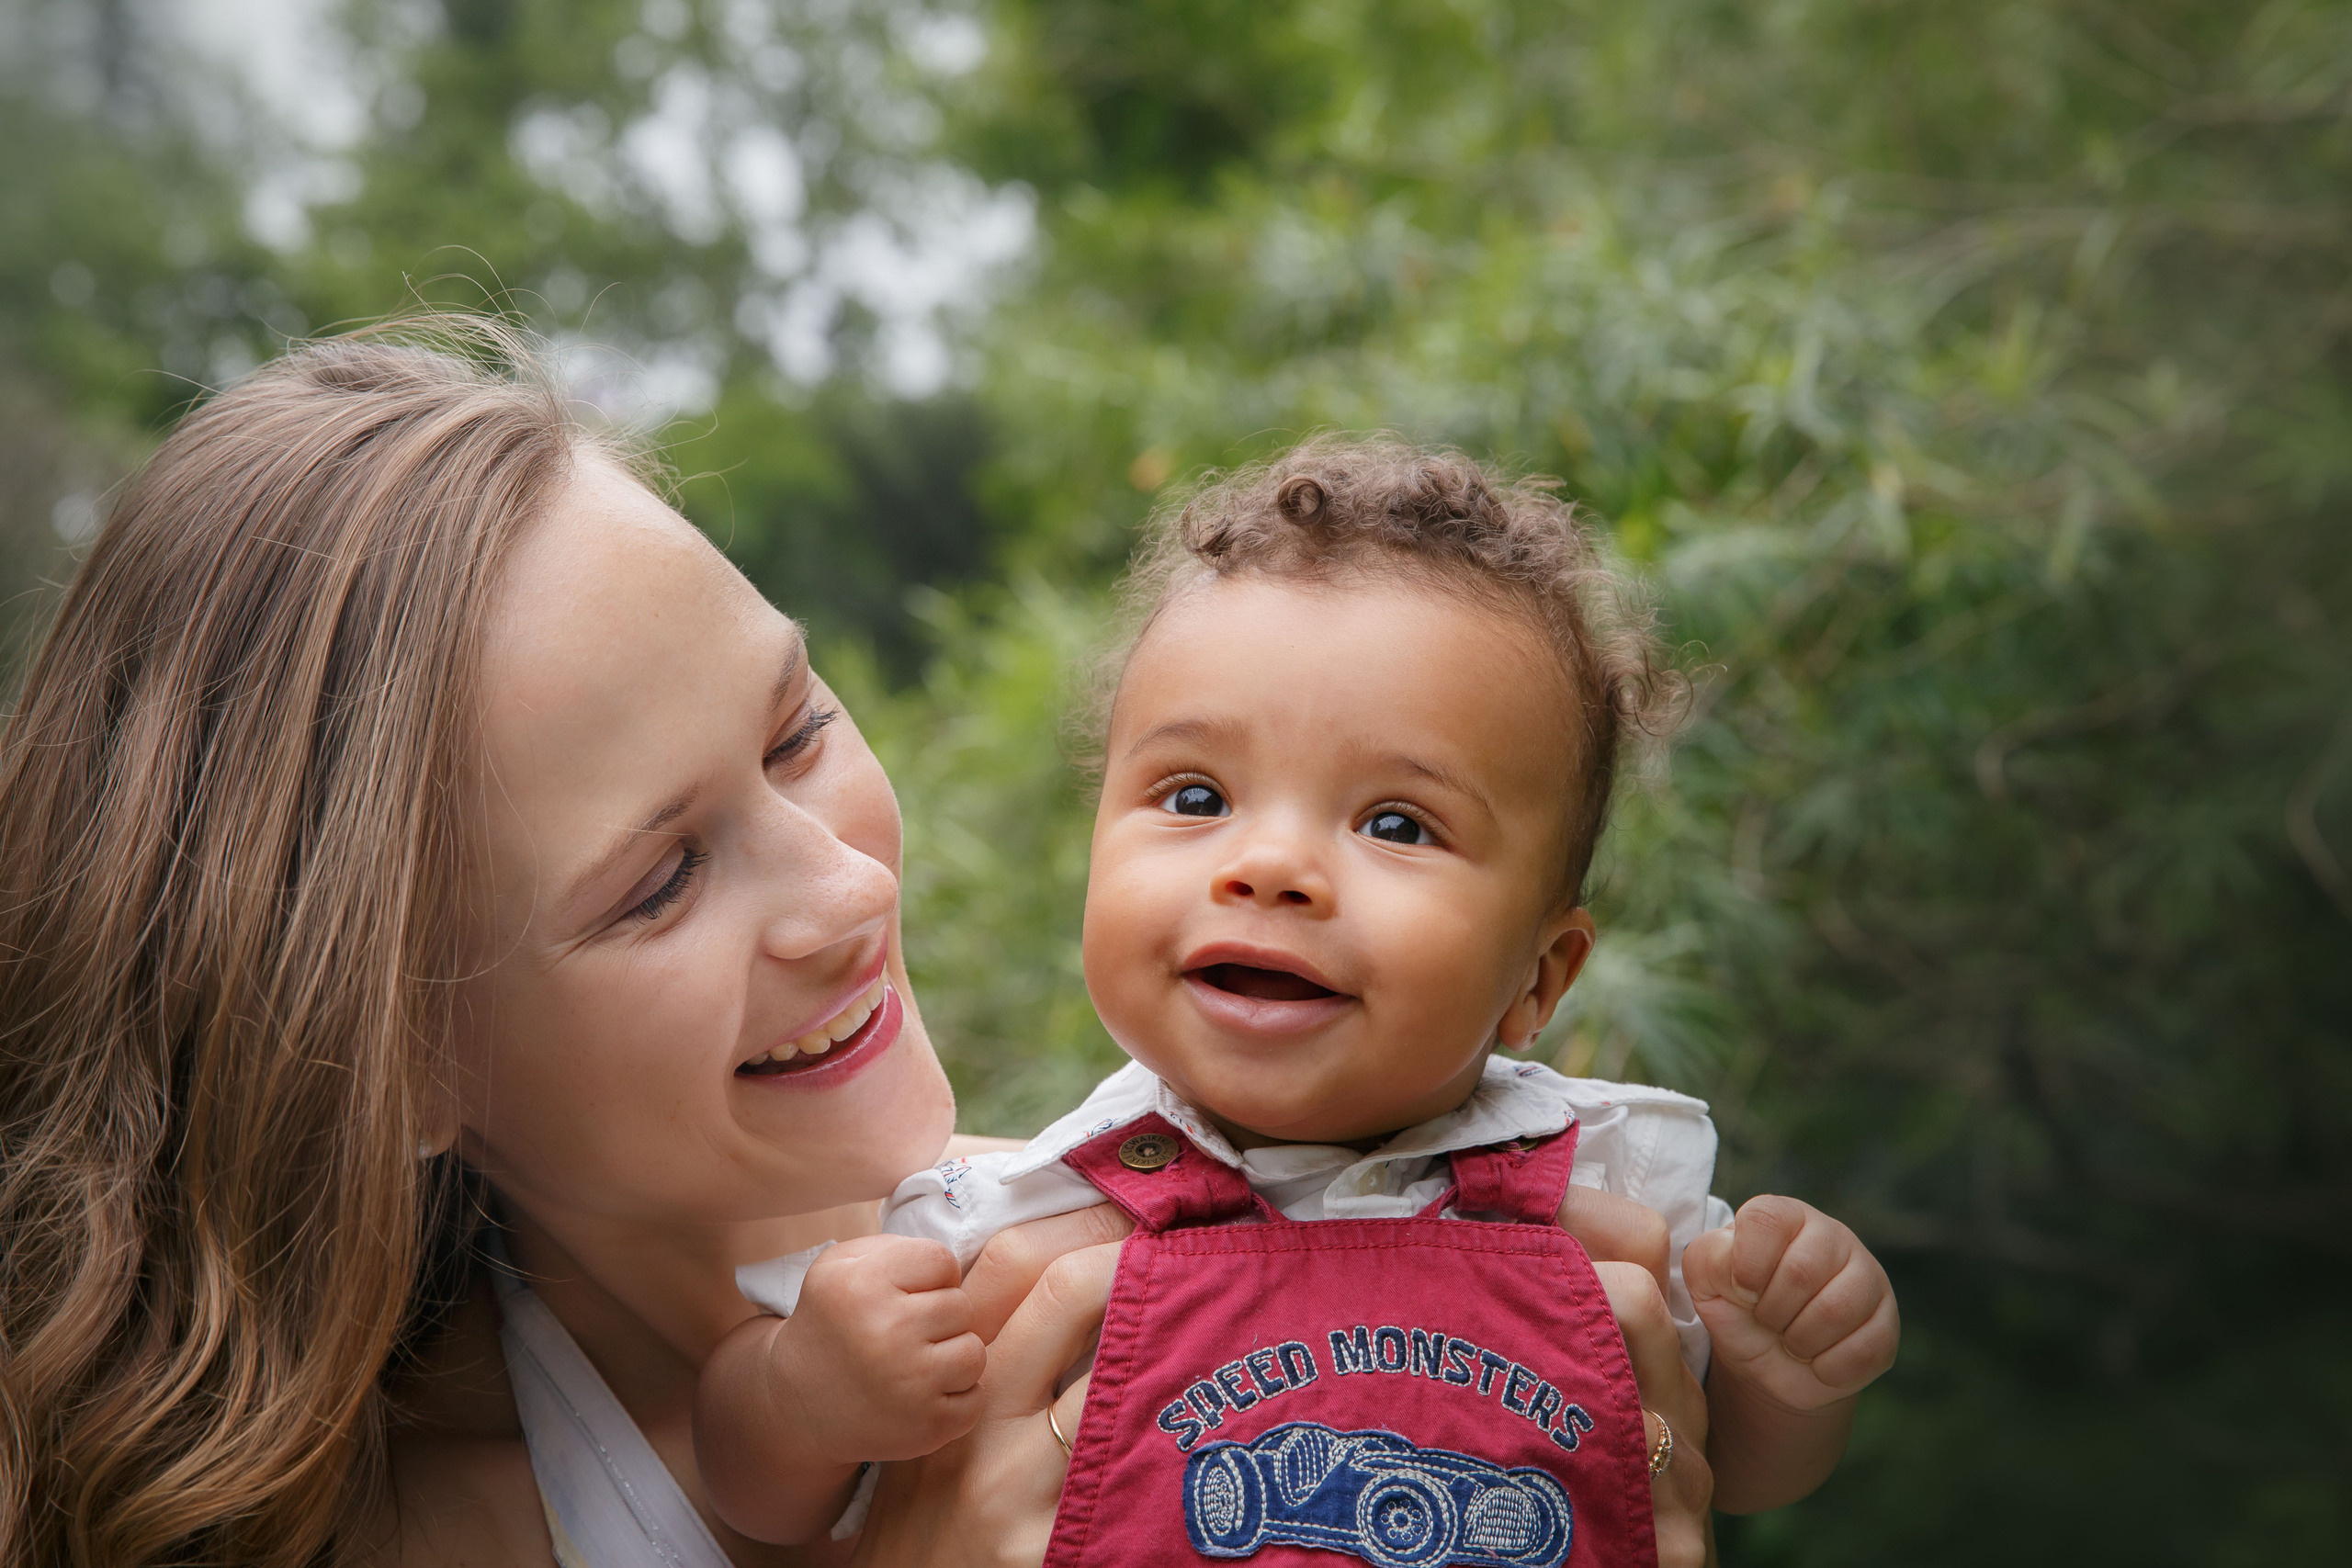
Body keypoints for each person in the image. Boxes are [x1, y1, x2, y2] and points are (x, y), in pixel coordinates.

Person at [0, 325, 1716, 1568]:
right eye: (658, 882)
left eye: (797, 726)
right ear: (399, 1062)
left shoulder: (1126, 1240)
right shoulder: (388, 1528)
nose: (844, 893)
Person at [704, 440, 1898, 1553]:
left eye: (1395, 823)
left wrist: (1787, 1376)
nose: (1266, 865)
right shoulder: (1013, 1219)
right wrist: (804, 1397)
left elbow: (1729, 1468)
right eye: (1194, 797)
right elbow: (758, 1497)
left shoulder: (1609, 1186)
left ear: (1538, 981)